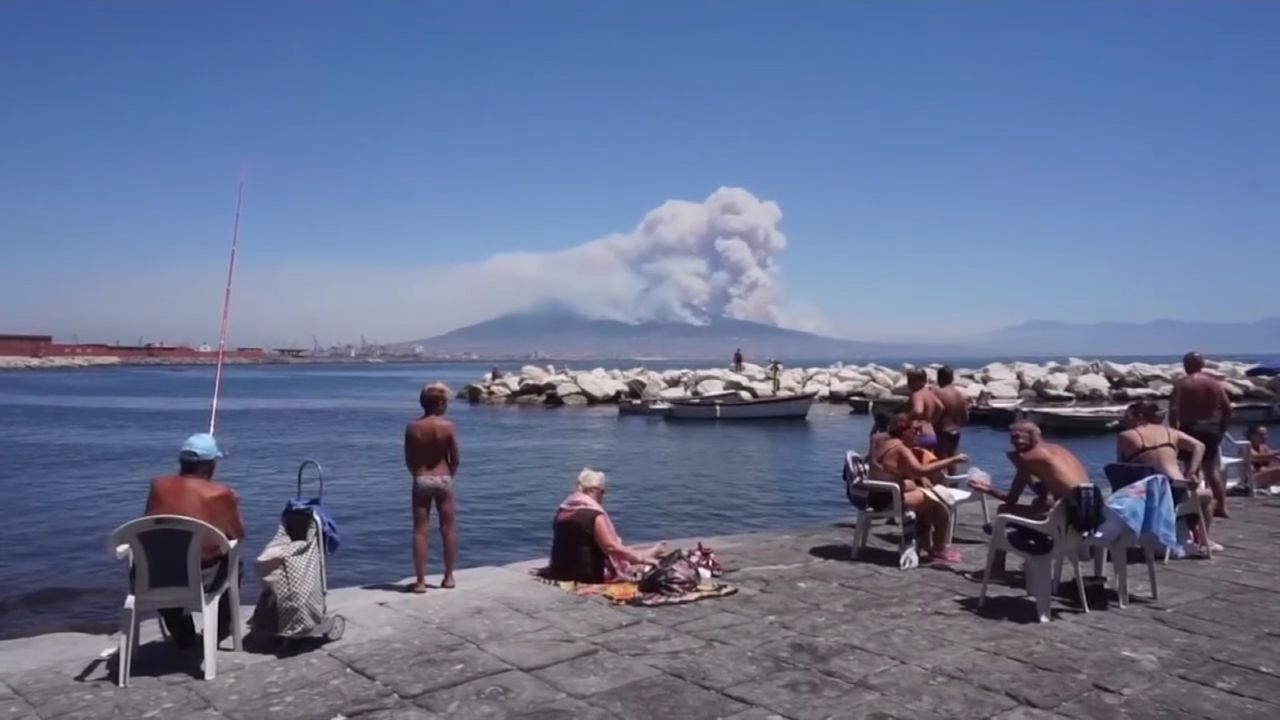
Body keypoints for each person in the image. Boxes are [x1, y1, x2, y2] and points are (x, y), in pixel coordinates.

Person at [144, 433, 245, 648]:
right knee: (237, 565)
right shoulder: (221, 493)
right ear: (210, 465)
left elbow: (148, 525)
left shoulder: (157, 486)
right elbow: (238, 536)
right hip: (199, 580)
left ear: (182, 461)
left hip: (151, 576)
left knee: (166, 561)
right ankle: (219, 630)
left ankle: (182, 632)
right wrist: (232, 505)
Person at [968, 421, 1090, 577]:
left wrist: (986, 489)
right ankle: (1032, 559)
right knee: (1040, 503)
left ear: (1031, 436)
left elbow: (1010, 499)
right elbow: (1041, 491)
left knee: (1003, 511)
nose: (1012, 442)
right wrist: (1021, 467)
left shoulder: (1030, 457)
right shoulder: (1057, 449)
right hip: (1087, 510)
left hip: (1069, 516)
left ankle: (997, 570)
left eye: (1016, 437)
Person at [1116, 401, 1217, 553]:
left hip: (1149, 497)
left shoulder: (1126, 436)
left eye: (1127, 416)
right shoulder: (1169, 432)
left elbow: (1120, 469)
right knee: (1208, 496)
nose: (1124, 420)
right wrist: (1191, 472)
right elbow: (1199, 446)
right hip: (1179, 492)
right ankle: (1204, 541)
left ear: (1139, 416)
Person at [868, 414, 970, 564]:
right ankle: (939, 548)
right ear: (904, 431)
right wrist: (952, 460)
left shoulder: (883, 443)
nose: (918, 434)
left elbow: (900, 470)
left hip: (876, 496)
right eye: (914, 430)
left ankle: (926, 542)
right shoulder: (900, 449)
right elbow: (920, 470)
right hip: (889, 500)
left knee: (928, 494)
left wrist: (919, 480)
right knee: (941, 501)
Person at [539, 468, 666, 583]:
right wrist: (641, 559)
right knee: (640, 567)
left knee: (620, 553)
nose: (604, 496)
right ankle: (645, 554)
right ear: (593, 490)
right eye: (603, 492)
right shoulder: (594, 515)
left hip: (560, 570)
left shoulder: (563, 510)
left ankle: (647, 553)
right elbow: (611, 547)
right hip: (586, 574)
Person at [404, 383, 459, 593]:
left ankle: (420, 581)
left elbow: (409, 459)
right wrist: (449, 475)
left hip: (421, 478)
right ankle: (449, 577)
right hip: (443, 477)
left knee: (420, 531)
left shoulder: (412, 427)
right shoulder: (448, 427)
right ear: (439, 404)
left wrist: (417, 474)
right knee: (448, 528)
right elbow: (455, 458)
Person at [1170, 352, 1233, 518]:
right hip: (1211, 428)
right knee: (1211, 470)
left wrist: (1173, 432)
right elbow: (1227, 409)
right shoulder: (1215, 384)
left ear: (1187, 365)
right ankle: (1221, 507)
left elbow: (1174, 410)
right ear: (1202, 365)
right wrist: (1221, 429)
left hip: (1190, 428)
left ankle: (1193, 506)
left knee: (1191, 470)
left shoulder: (1182, 384)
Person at [932, 366, 969, 459]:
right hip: (955, 431)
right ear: (952, 378)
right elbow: (965, 419)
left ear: (939, 378)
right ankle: (954, 474)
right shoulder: (959, 394)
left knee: (940, 460)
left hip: (941, 431)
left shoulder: (937, 393)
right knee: (953, 458)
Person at [906, 369, 942, 450]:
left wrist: (904, 418)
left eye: (911, 380)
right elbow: (940, 407)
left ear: (921, 381)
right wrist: (931, 421)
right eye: (908, 380)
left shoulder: (917, 394)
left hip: (919, 436)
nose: (908, 383)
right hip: (931, 434)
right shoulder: (929, 393)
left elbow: (918, 411)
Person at [1247, 425, 1280, 492]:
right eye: (1261, 435)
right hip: (1252, 480)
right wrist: (1277, 452)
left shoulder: (1264, 447)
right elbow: (1256, 457)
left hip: (1264, 477)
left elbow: (1274, 457)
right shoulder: (1246, 447)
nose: (1265, 437)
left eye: (1266, 434)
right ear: (1252, 436)